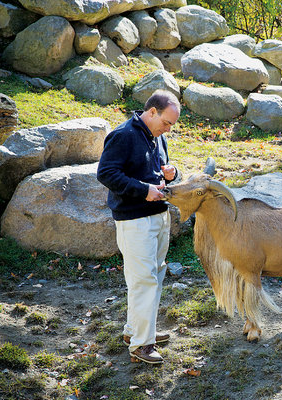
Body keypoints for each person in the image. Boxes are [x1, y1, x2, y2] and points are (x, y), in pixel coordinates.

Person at [97, 89, 180, 364]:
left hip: (159, 216)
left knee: (154, 275)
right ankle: (141, 345)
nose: (168, 129)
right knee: (144, 279)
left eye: (172, 125)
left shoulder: (158, 136)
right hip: (135, 221)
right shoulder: (123, 135)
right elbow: (106, 173)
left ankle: (137, 332)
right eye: (166, 122)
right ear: (152, 111)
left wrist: (172, 173)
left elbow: (161, 170)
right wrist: (143, 190)